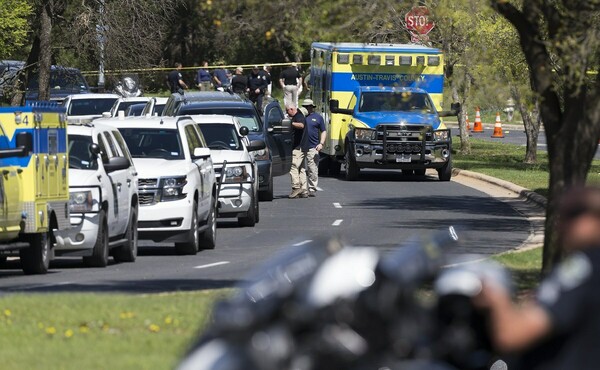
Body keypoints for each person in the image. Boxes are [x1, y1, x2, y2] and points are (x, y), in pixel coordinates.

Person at [476, 186, 600, 370]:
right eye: (560, 214)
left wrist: (496, 296)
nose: (560, 223)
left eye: (572, 214)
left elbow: (511, 335)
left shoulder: (581, 268)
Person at [300, 99, 326, 197]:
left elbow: (323, 131)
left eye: (309, 106)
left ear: (312, 107)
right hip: (301, 146)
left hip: (313, 146)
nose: (307, 108)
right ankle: (302, 189)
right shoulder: (300, 117)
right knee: (300, 168)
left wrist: (321, 143)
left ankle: (312, 188)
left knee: (312, 168)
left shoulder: (318, 118)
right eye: (305, 106)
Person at [286, 104, 307, 199]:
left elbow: (301, 125)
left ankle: (296, 187)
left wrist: (290, 123)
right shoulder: (297, 116)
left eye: (287, 111)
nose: (287, 113)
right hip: (302, 146)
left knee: (293, 166)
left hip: (298, 147)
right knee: (301, 168)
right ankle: (304, 190)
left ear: (292, 109)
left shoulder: (298, 116)